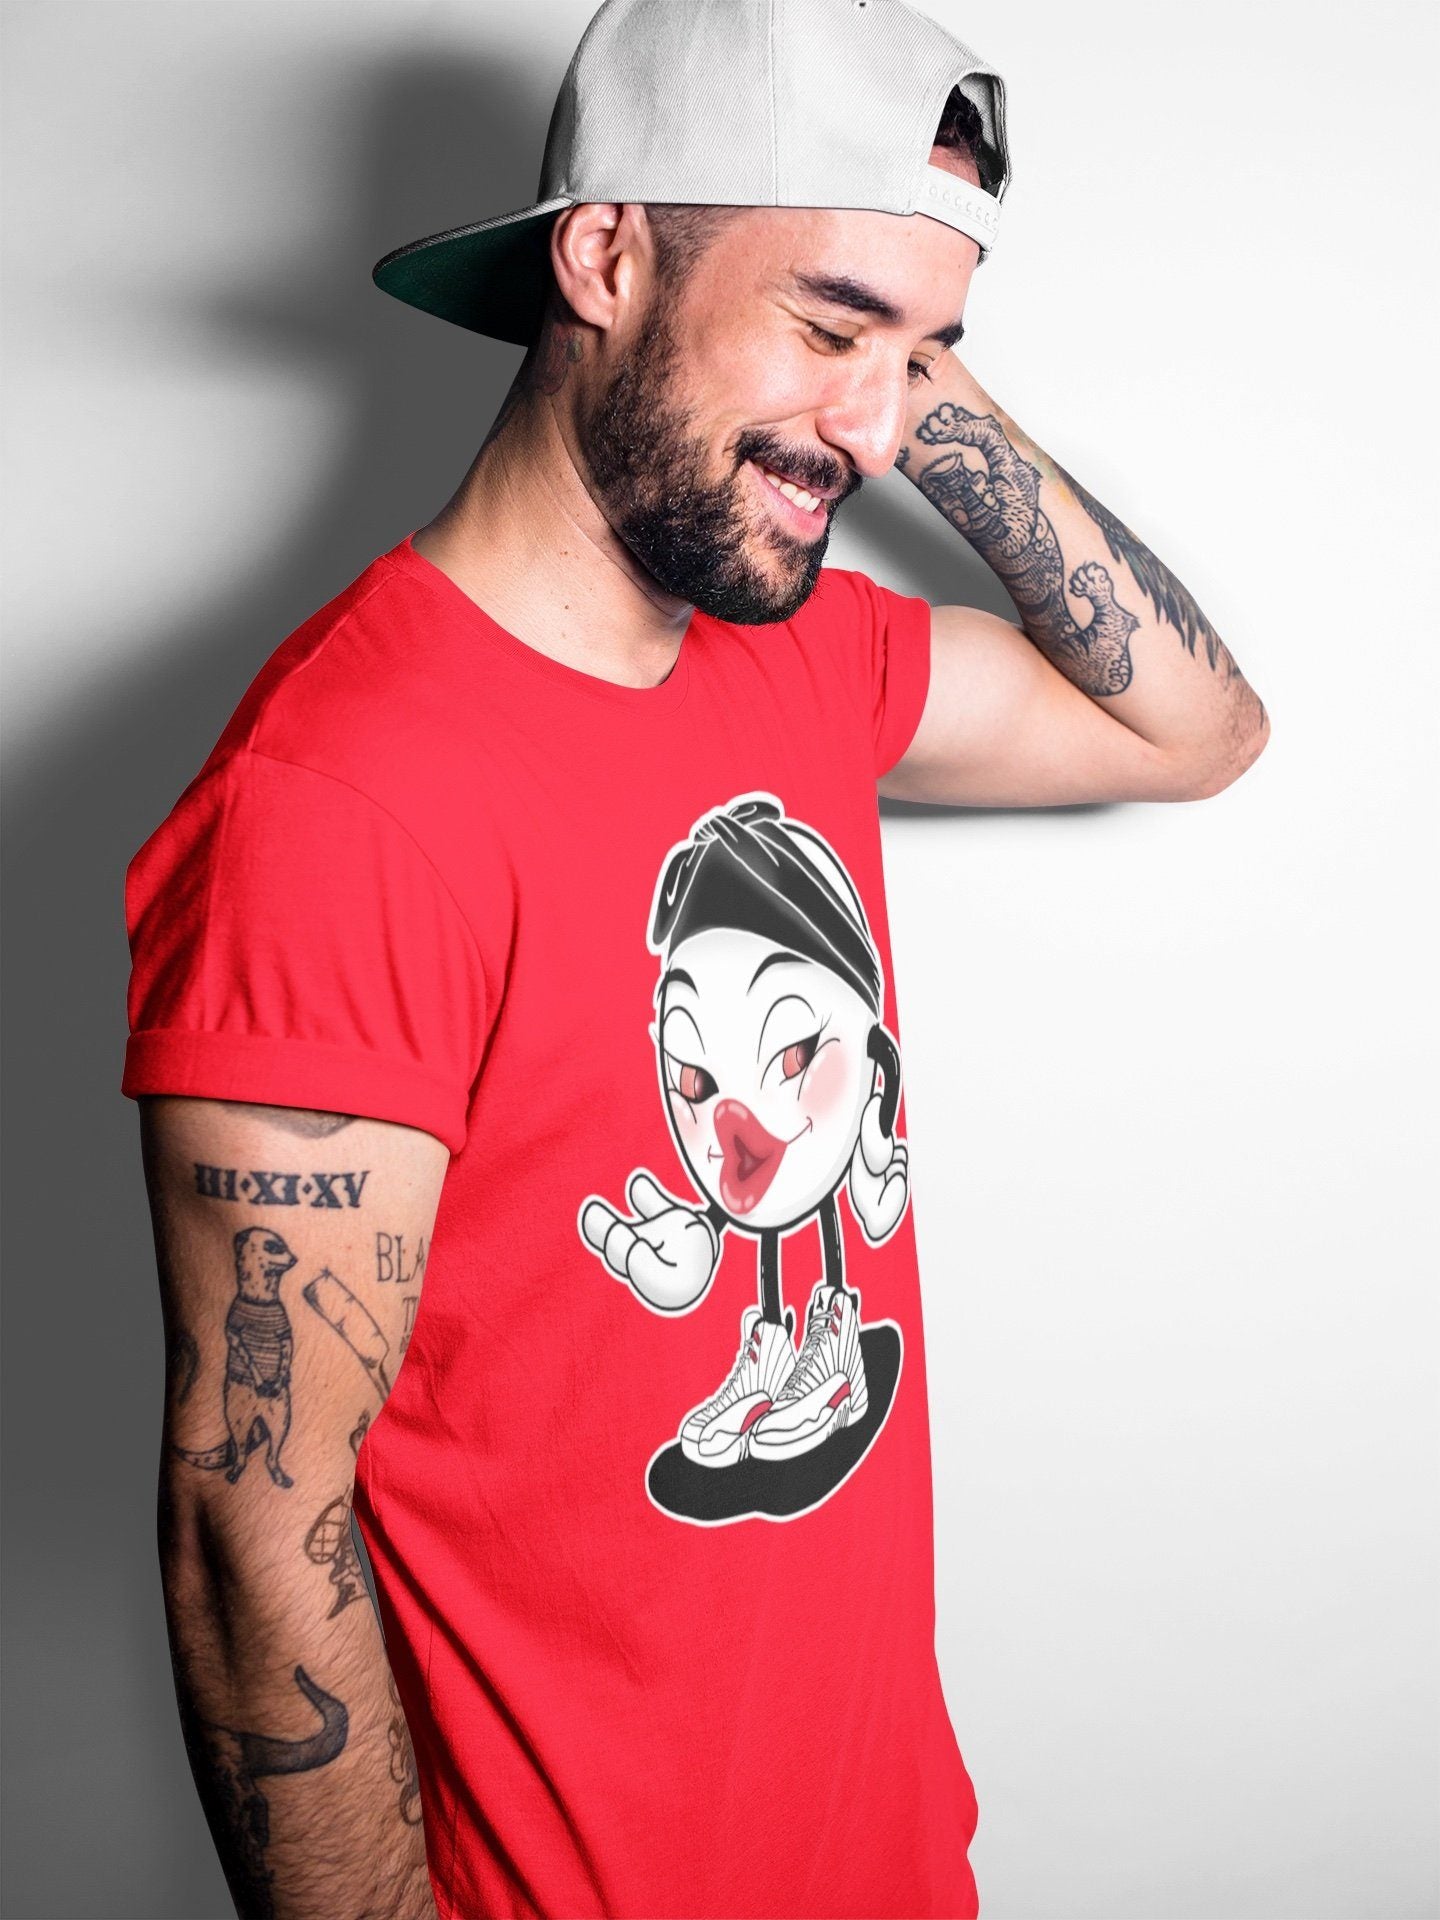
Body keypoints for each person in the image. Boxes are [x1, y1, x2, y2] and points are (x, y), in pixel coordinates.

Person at [120, 0, 1269, 1912]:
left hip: (886, 1866)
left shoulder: (797, 659)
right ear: (603, 256)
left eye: (927, 356)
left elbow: (1199, 730)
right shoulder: (339, 802)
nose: (878, 430)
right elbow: (257, 1535)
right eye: (826, 326)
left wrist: (886, 348)